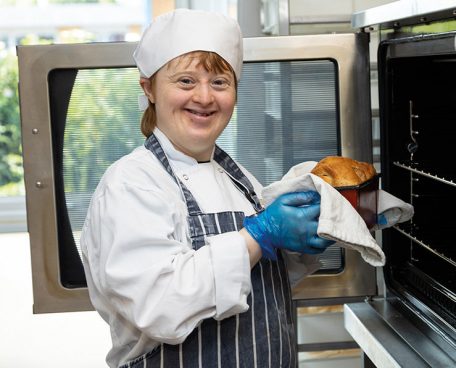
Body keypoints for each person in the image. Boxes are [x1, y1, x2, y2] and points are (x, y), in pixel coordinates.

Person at [80, 8, 334, 368]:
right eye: (185, 81)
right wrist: (257, 236)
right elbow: (159, 306)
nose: (204, 97)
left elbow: (263, 290)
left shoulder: (240, 179)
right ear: (149, 88)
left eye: (219, 82)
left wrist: (309, 236)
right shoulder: (130, 184)